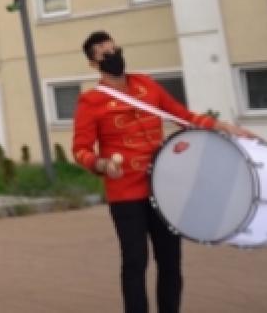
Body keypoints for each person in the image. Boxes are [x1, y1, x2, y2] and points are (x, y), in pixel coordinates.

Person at [72, 30, 254, 313]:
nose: (115, 57)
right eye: (106, 55)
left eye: (116, 50)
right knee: (135, 262)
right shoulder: (91, 102)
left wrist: (226, 128)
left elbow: (183, 116)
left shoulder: (146, 84)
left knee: (170, 261)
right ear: (94, 64)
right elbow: (80, 149)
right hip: (125, 193)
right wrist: (102, 165)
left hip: (163, 189)